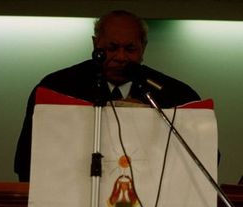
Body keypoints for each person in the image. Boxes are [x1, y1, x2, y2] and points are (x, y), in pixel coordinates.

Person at [14, 10, 200, 182]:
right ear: (96, 44)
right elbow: (27, 160)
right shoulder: (57, 88)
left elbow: (203, 158)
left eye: (130, 49)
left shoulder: (175, 95)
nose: (121, 57)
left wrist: (150, 123)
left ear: (143, 47)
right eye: (112, 48)